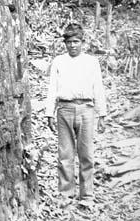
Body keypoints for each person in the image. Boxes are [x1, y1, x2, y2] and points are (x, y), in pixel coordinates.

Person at [45, 23, 107, 208]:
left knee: (86, 153)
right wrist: (49, 112)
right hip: (64, 109)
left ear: (83, 42)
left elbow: (98, 87)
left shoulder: (91, 62)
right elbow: (52, 88)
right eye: (69, 42)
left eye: (76, 41)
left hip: (86, 109)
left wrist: (101, 114)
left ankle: (87, 194)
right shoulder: (59, 61)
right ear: (65, 43)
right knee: (65, 153)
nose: (73, 45)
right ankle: (66, 194)